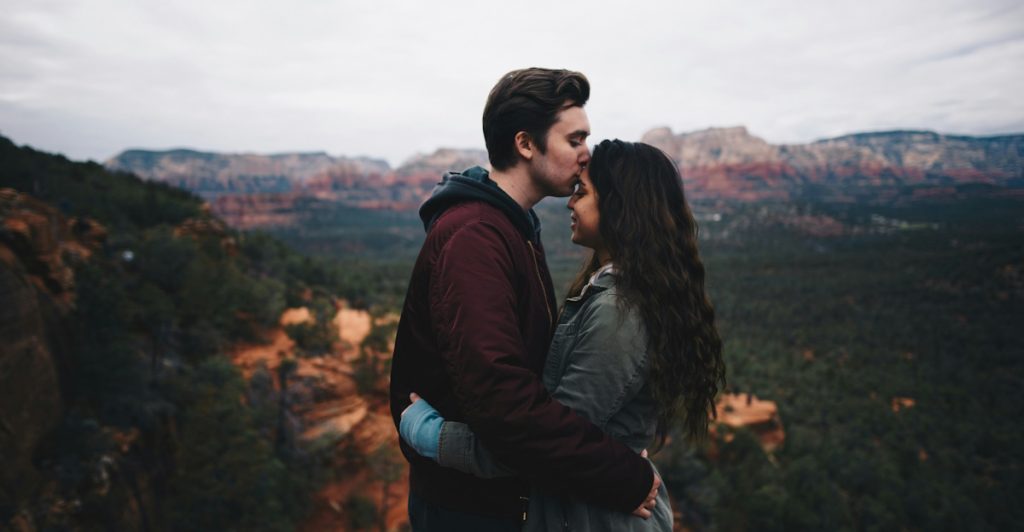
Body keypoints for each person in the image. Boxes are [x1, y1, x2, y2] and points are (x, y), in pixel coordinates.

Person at [400, 139, 727, 531]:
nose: (570, 203)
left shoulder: (617, 314)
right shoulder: (613, 292)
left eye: (583, 193)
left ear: (622, 208)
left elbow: (546, 443)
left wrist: (434, 437)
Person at [388, 70, 661, 531]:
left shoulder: (512, 225)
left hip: (502, 498)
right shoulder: (476, 236)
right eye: (574, 139)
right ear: (526, 144)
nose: (585, 154)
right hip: (469, 510)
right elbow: (504, 401)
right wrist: (621, 473)